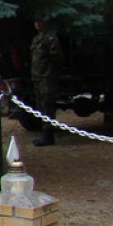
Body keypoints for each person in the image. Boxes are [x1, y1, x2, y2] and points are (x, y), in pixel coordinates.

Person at [31, 19, 64, 147]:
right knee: (40, 106)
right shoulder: (36, 39)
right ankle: (44, 134)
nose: (38, 24)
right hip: (37, 77)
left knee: (47, 105)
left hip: (47, 78)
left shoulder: (50, 39)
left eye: (40, 21)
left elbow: (58, 58)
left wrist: (50, 72)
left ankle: (48, 135)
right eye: (36, 21)